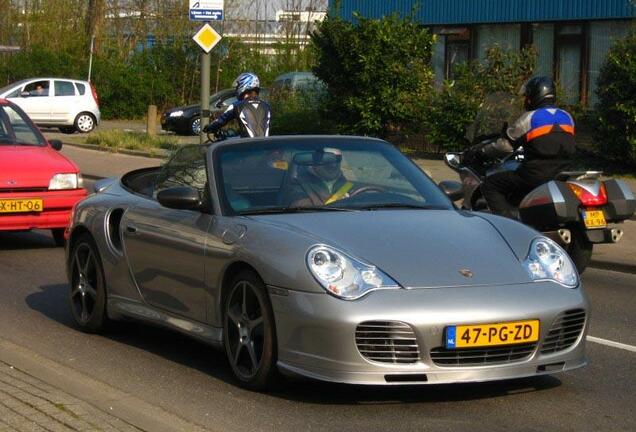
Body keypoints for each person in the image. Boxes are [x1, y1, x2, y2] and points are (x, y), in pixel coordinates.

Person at [474, 76, 577, 219]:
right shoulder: (567, 117)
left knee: (490, 185)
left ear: (534, 96)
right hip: (564, 171)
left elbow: (505, 146)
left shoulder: (529, 118)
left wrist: (481, 151)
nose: (525, 100)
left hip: (536, 174)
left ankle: (508, 225)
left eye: (527, 96)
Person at [203, 72, 271, 138]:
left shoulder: (237, 106)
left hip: (247, 146)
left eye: (238, 86)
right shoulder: (267, 106)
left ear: (243, 85)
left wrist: (209, 127)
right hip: (265, 145)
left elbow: (221, 120)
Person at [285, 148, 356, 207]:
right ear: (315, 163)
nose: (333, 165)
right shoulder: (298, 184)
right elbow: (299, 206)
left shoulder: (350, 185)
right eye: (328, 160)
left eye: (338, 159)